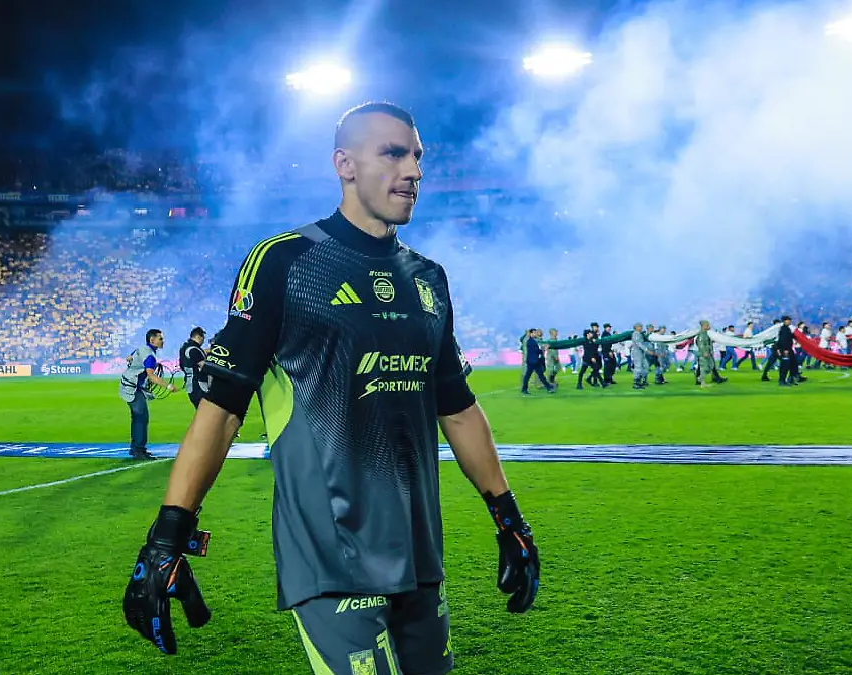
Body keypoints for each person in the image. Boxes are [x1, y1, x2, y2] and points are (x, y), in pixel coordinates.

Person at [121, 102, 540, 674]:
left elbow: (459, 408)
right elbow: (221, 411)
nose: (413, 169)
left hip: (420, 556)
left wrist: (509, 518)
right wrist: (168, 535)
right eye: (393, 153)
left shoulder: (429, 279)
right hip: (331, 557)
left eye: (417, 156)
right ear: (344, 164)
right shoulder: (284, 262)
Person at [119, 329, 177, 460]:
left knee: (137, 417)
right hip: (133, 388)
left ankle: (135, 448)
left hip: (128, 385)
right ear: (152, 340)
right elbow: (151, 376)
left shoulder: (142, 348)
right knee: (141, 417)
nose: (163, 341)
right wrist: (168, 386)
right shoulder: (150, 356)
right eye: (160, 339)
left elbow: (129, 357)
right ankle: (139, 450)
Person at [178, 326, 210, 408]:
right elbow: (204, 366)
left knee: (202, 412)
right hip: (199, 385)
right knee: (205, 413)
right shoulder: (194, 350)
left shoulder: (184, 348)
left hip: (190, 385)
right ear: (198, 337)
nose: (203, 340)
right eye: (203, 337)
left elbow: (182, 364)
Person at [521, 328, 552, 394]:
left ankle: (549, 387)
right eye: (534, 333)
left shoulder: (534, 341)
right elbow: (536, 351)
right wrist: (545, 349)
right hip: (532, 361)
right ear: (531, 333)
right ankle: (524, 389)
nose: (535, 334)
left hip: (535, 361)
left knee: (540, 375)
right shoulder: (530, 341)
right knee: (529, 376)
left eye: (536, 332)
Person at [773, 315, 802, 387]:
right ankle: (782, 381)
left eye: (790, 320)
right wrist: (785, 350)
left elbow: (790, 337)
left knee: (794, 363)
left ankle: (791, 378)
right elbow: (783, 341)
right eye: (788, 320)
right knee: (785, 365)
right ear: (784, 321)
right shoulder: (783, 329)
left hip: (789, 349)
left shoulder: (787, 329)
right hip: (785, 350)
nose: (790, 321)